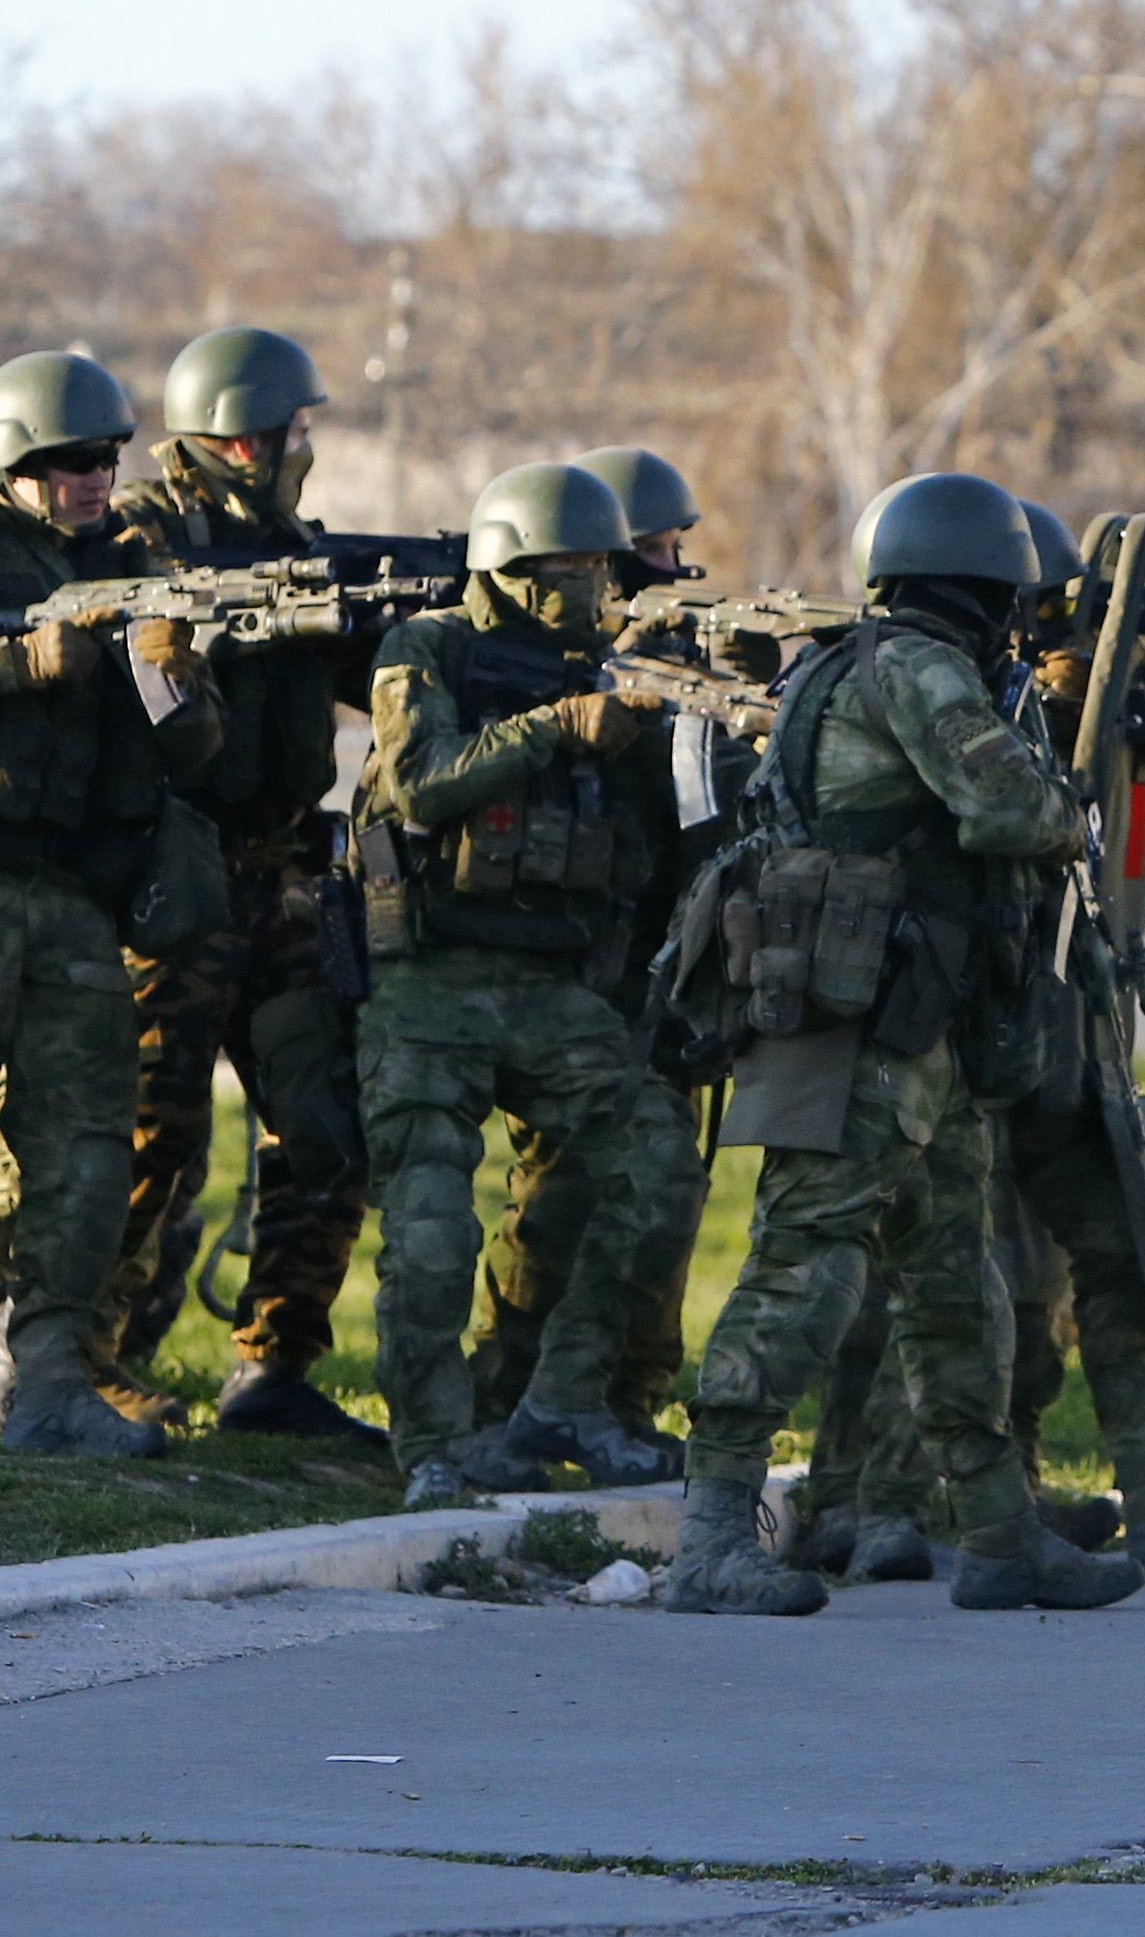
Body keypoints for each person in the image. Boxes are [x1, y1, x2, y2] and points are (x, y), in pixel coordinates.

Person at [664, 472, 1140, 1617]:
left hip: (916, 1026)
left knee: (950, 1281)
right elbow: (1015, 808)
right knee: (806, 1263)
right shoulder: (916, 664)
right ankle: (711, 1537)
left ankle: (998, 1531)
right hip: (860, 1028)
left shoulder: (858, 661)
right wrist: (1056, 791)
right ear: (981, 586)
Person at [816, 500, 1145, 1585]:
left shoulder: (1017, 697)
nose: (1057, 638)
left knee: (1114, 1248)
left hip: (1050, 1022)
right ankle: (890, 1501)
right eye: (1044, 613)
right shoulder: (925, 690)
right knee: (945, 1277)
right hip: (958, 1024)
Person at [351, 464, 681, 1505]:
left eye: (602, 567)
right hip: (429, 981)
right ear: (515, 567)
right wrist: (556, 725)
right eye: (572, 567)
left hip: (554, 989)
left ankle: (563, 1399)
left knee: (659, 1157)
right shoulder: (429, 648)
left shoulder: (613, 668)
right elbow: (422, 781)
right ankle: (433, 1452)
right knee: (432, 1229)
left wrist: (661, 725)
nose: (593, 585)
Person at [103, 325, 384, 1447]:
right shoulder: (143, 536)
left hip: (285, 882)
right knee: (149, 1134)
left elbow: (365, 683)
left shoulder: (300, 543)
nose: (304, 447)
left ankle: (273, 1366)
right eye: (295, 428)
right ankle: (91, 1362)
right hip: (176, 883)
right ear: (240, 431)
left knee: (324, 1127)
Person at [464, 447, 735, 1472]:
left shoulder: (673, 662)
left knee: (661, 1186)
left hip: (663, 963)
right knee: (557, 1193)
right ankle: (503, 1392)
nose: (671, 570)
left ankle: (624, 1395)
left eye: (676, 550)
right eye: (649, 554)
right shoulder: (550, 672)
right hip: (585, 968)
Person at [0, 349, 220, 1458]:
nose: (99, 478)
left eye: (109, 459)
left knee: (88, 1147)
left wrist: (171, 674)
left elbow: (198, 747)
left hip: (78, 902)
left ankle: (43, 1383)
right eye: (74, 460)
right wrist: (21, 660)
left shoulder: (143, 564)